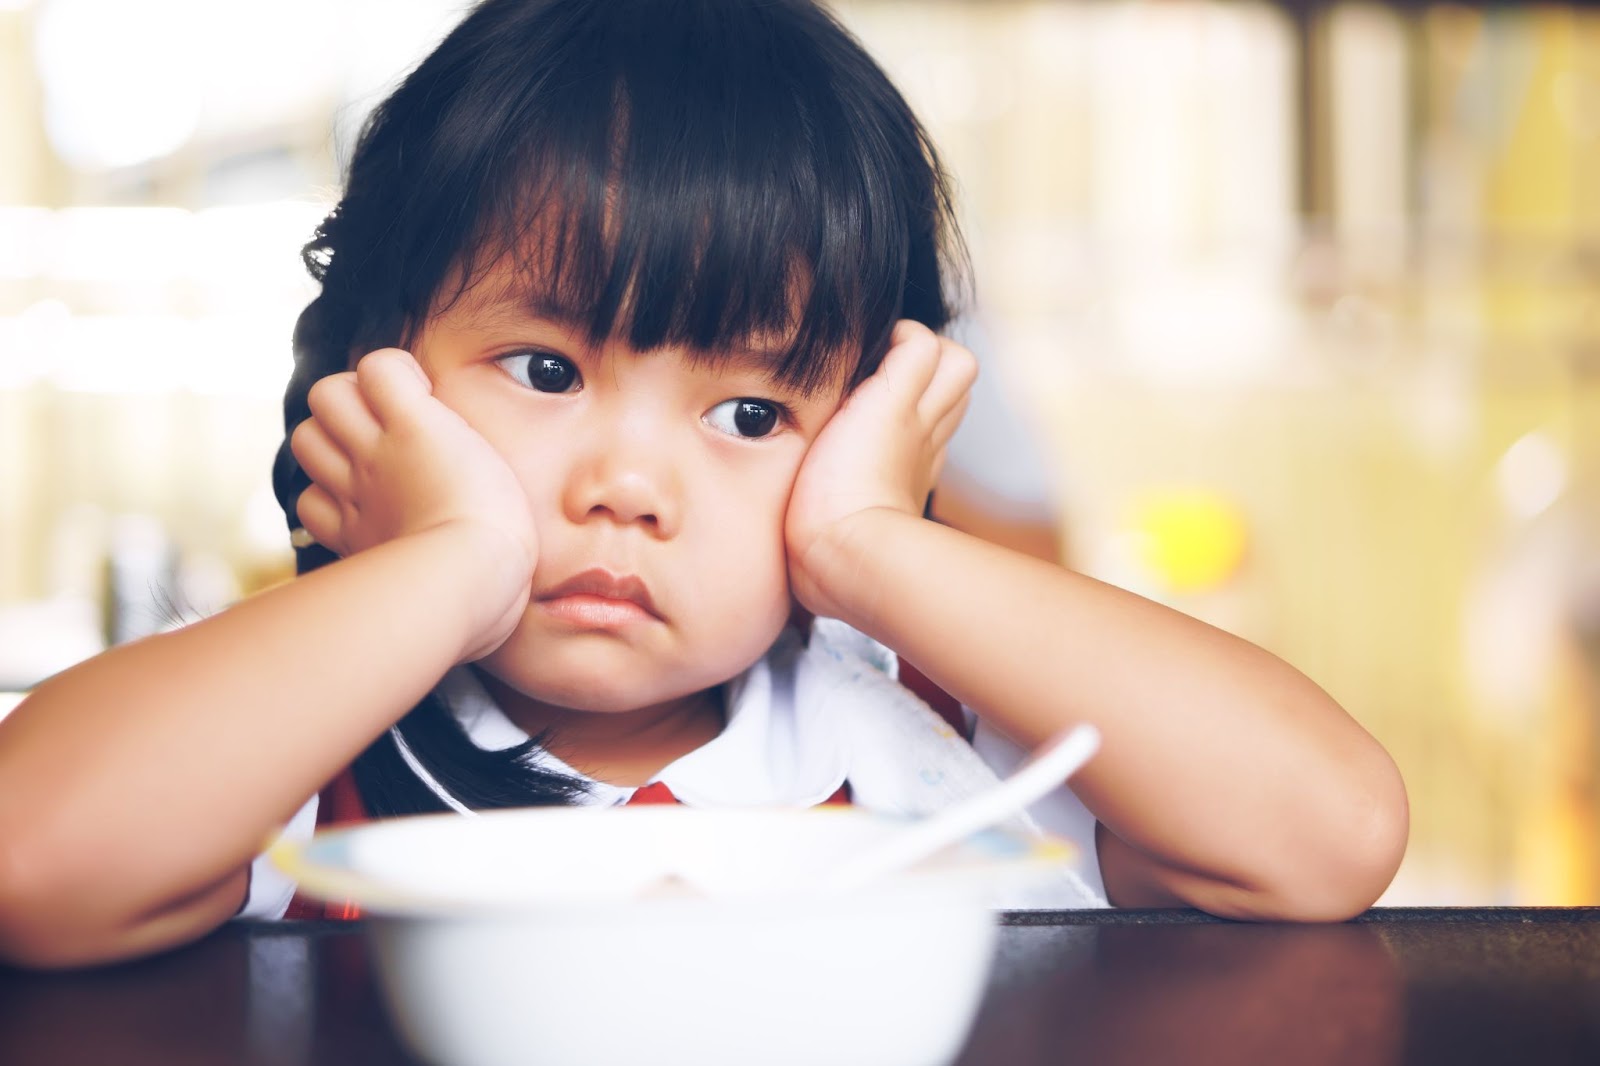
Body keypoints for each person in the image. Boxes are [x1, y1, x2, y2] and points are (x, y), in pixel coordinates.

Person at [0, 0, 1407, 968]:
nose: (627, 483)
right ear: (376, 380)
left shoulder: (925, 748)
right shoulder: (294, 741)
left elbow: (1329, 833)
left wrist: (870, 539)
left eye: (749, 410)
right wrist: (448, 560)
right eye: (545, 373)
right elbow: (34, 858)